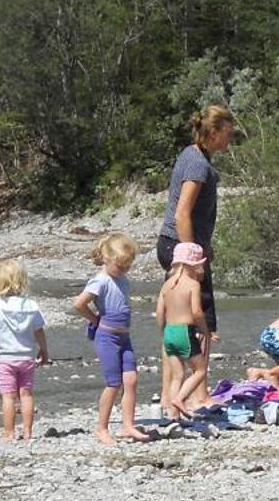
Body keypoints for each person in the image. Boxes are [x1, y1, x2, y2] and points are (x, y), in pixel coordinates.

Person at [157, 104, 237, 379]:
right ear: (213, 132)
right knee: (201, 320)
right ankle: (196, 393)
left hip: (177, 245)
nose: (231, 138)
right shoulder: (197, 163)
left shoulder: (194, 156)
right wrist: (193, 258)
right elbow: (182, 213)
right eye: (228, 132)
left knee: (177, 323)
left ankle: (173, 392)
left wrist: (204, 244)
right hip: (180, 247)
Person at [74, 233, 145, 445]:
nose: (124, 270)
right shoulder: (100, 280)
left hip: (124, 337)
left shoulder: (122, 280)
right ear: (106, 258)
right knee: (113, 383)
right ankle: (102, 428)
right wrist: (95, 320)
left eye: (128, 266)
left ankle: (128, 425)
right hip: (107, 337)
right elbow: (79, 304)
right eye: (121, 266)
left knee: (131, 380)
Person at [0, 256, 51, 441]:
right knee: (26, 394)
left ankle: (9, 433)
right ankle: (27, 432)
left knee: (8, 397)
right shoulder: (31, 305)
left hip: (6, 359)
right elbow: (39, 330)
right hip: (26, 358)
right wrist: (44, 349)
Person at [155, 242, 209, 418]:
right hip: (185, 331)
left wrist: (163, 332)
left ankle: (173, 416)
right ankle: (180, 399)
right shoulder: (193, 284)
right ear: (193, 265)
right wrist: (205, 330)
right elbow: (197, 312)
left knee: (177, 375)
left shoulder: (167, 285)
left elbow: (159, 313)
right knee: (200, 369)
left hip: (169, 331)